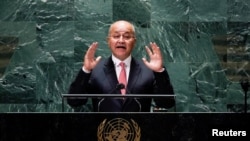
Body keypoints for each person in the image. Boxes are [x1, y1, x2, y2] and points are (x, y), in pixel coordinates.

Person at [67, 20, 175, 112]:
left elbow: (167, 103)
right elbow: (74, 101)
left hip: (139, 133)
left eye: (127, 36)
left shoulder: (148, 70)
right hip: (104, 132)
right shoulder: (94, 69)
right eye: (116, 36)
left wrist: (159, 72)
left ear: (134, 42)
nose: (121, 40)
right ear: (108, 41)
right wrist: (86, 71)